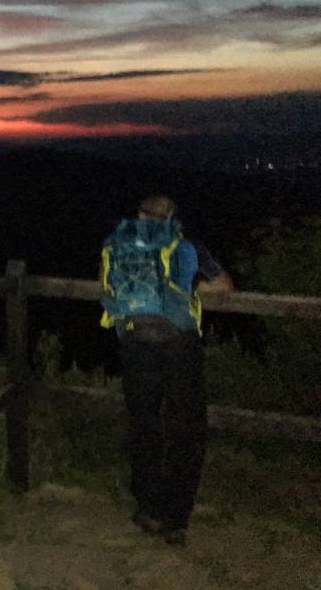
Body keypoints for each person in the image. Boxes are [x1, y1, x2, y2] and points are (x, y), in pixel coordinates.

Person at [99, 195, 233, 547]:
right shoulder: (187, 247)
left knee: (144, 423)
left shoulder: (118, 245)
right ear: (172, 217)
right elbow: (224, 285)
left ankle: (148, 509)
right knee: (185, 427)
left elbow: (108, 287)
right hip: (178, 345)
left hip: (134, 343)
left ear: (140, 215)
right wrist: (193, 287)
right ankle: (175, 518)